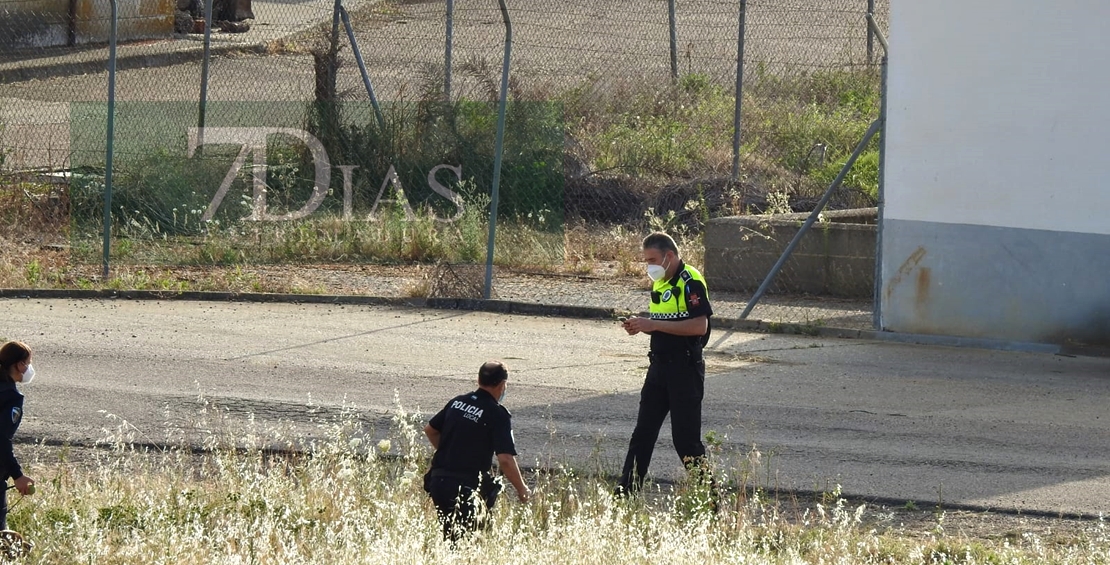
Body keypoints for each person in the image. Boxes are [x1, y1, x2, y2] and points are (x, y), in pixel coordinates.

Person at [616, 232, 713, 494]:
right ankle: (626, 494)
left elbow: (699, 326)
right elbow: (666, 323)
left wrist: (653, 324)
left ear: (669, 256)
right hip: (658, 367)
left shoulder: (690, 280)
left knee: (686, 442)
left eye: (652, 260)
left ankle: (711, 499)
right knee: (642, 435)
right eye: (646, 261)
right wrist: (642, 325)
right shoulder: (660, 283)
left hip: (684, 369)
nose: (649, 267)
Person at [423, 361, 530, 541]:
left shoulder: (457, 402)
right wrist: (522, 489)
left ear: (478, 380)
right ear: (502, 385)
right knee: (471, 542)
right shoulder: (497, 414)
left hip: (438, 482)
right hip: (465, 488)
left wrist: (453, 452)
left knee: (451, 538)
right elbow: (505, 460)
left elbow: (431, 430)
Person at [0, 342, 36, 530]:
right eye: (28, 363)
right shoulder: (12, 397)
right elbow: (1, 439)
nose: (29, 368)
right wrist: (17, 475)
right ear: (20, 365)